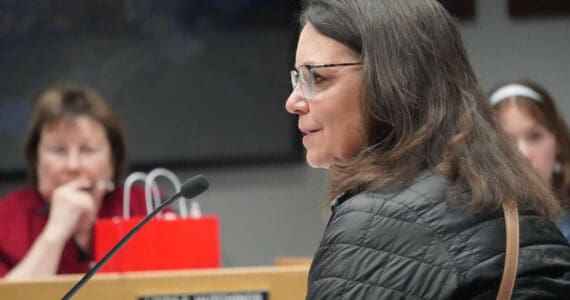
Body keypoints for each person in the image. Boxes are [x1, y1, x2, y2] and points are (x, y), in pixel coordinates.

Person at [285, 0, 570, 298]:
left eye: (316, 77)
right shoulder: (520, 206)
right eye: (297, 78)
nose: (293, 102)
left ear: (392, 80)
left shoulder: (376, 222)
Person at [0, 84, 148, 279]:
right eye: (58, 150)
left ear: (112, 160)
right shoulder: (6, 219)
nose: (73, 166)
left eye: (88, 150)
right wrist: (55, 233)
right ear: (36, 158)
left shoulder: (146, 208)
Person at [490, 79, 570, 241]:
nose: (523, 153)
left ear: (558, 142)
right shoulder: (471, 234)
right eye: (506, 140)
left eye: (535, 136)